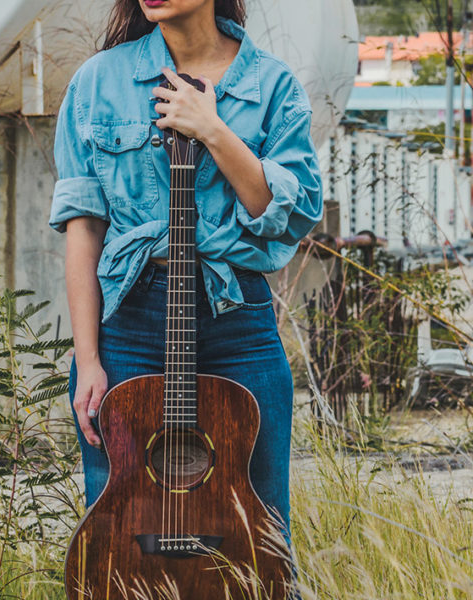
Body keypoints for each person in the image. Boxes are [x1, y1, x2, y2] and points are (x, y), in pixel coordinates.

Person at [49, 0, 322, 592]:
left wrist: (212, 128)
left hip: (236, 321)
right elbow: (83, 226)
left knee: (259, 528)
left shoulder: (270, 84)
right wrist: (88, 359)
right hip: (132, 319)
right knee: (120, 531)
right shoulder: (100, 82)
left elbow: (287, 214)